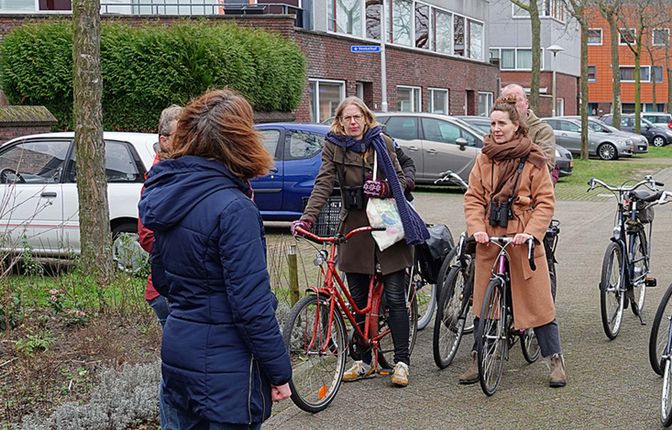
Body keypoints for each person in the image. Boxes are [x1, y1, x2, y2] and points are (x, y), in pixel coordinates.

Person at [138, 90, 291, 429]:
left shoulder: (168, 195)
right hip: (227, 373)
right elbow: (251, 307)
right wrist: (280, 372)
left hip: (179, 356)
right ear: (240, 141)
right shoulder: (235, 209)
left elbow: (162, 279)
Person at [292, 96, 429, 387]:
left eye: (357, 117)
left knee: (393, 297)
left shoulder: (382, 143)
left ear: (366, 118)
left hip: (387, 225)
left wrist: (383, 187)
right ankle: (363, 360)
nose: (353, 123)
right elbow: (323, 183)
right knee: (356, 299)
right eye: (347, 118)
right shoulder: (333, 146)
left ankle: (402, 361)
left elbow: (403, 180)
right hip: (354, 224)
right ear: (339, 122)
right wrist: (306, 218)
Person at [459, 98, 566, 387]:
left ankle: (554, 360)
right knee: (483, 303)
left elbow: (545, 202)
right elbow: (473, 198)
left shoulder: (534, 158)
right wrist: (477, 229)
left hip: (523, 240)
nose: (495, 129)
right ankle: (478, 357)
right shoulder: (484, 158)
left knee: (539, 303)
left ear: (516, 125)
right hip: (491, 238)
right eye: (492, 123)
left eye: (501, 123)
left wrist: (531, 233)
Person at [138, 104, 182, 327]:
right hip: (166, 291)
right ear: (164, 140)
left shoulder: (182, 172)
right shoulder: (159, 180)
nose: (188, 140)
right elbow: (146, 237)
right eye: (180, 135)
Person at [500, 84, 558, 180]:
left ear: (526, 103)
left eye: (517, 100)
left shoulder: (542, 130)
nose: (512, 105)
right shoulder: (498, 129)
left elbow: (545, 165)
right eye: (507, 101)